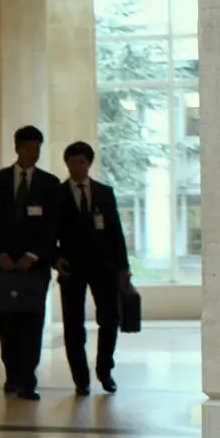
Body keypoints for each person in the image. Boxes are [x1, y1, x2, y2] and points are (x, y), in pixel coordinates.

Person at [0, 125, 63, 401]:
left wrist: (34, 255)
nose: (35, 153)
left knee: (32, 322)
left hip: (33, 267)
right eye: (30, 148)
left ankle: (28, 378)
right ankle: (12, 374)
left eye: (38, 148)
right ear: (18, 148)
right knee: (6, 323)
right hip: (1, 266)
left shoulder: (49, 184)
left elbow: (52, 226)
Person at [54, 141, 129, 395]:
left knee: (109, 319)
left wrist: (123, 267)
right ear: (67, 164)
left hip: (103, 266)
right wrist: (55, 258)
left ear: (89, 163)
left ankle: (105, 370)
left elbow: (116, 231)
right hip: (71, 268)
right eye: (72, 163)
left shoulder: (104, 193)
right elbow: (47, 232)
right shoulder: (58, 194)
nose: (77, 167)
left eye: (82, 162)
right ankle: (80, 378)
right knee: (73, 324)